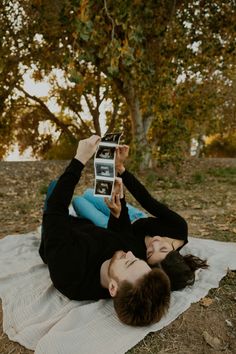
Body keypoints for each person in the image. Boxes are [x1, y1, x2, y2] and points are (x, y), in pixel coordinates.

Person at [39, 135, 171, 326]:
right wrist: (119, 210)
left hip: (58, 230)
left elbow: (55, 211)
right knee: (70, 194)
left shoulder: (70, 272)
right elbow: (122, 235)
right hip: (83, 226)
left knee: (54, 189)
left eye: (129, 262)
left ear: (112, 288)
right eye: (138, 259)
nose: (130, 253)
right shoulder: (129, 261)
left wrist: (79, 160)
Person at [73, 145, 208, 291]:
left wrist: (118, 206)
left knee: (77, 201)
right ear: (176, 252)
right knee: (88, 193)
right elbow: (148, 201)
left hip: (115, 224)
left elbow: (118, 236)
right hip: (135, 215)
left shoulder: (140, 260)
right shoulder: (179, 227)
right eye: (163, 248)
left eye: (150, 252)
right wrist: (120, 168)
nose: (154, 243)